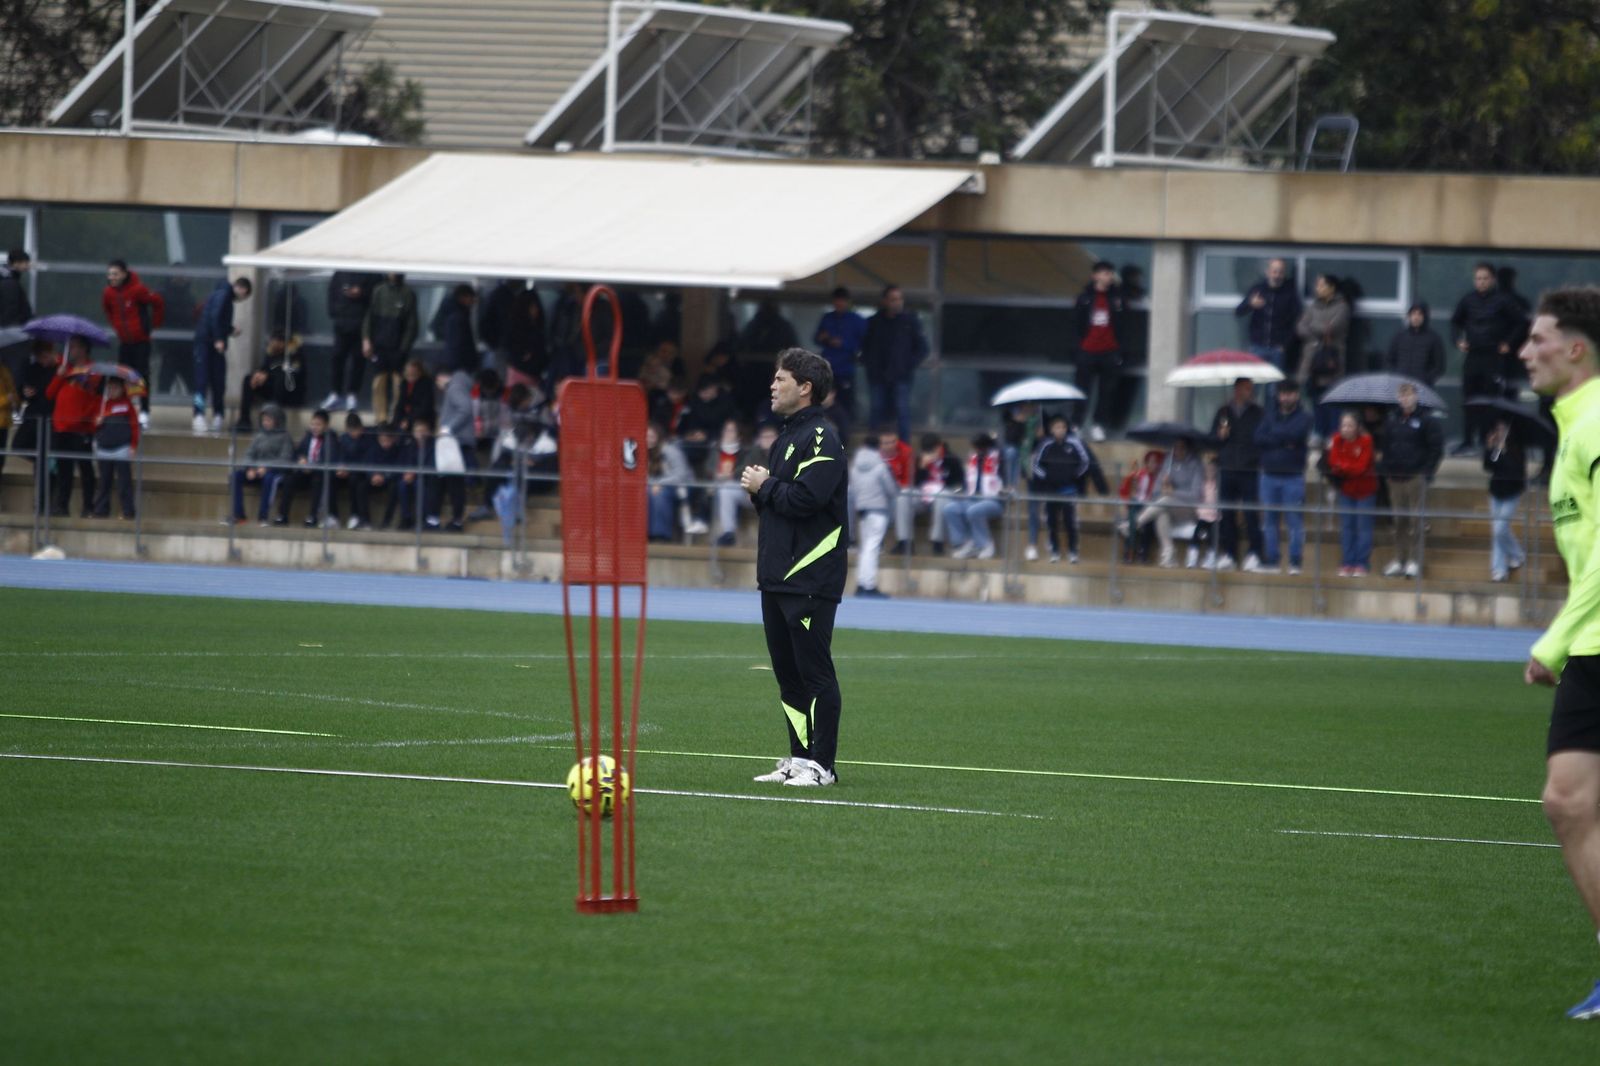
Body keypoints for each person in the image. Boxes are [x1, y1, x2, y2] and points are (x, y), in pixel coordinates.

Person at [1515, 288, 1600, 1021]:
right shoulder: (1575, 427)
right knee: (1570, 801)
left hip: (1595, 645)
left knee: (1570, 801)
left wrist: (1553, 641)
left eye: (1538, 339)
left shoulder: (1597, 422)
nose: (1524, 350)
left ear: (1576, 348)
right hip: (1595, 644)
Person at [739, 347, 849, 788]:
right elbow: (781, 504)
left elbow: (808, 498)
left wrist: (765, 485)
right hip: (778, 577)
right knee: (788, 677)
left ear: (805, 388)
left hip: (810, 574)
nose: (772, 385)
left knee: (815, 672)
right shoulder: (786, 437)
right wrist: (763, 490)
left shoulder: (822, 435)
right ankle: (800, 759)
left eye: (780, 379)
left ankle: (823, 766)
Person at [1451, 262, 1527, 454]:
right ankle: (1468, 441)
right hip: (1473, 356)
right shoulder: (1467, 300)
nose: (1481, 282)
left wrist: (1508, 343)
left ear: (1492, 280)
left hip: (1493, 358)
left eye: (1485, 278)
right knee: (1469, 400)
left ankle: (1488, 440)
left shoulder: (1503, 300)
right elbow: (1455, 322)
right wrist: (1458, 340)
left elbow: (1521, 323)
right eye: (1478, 278)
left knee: (1490, 401)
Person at [1376, 381, 1442, 579]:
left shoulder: (1426, 420)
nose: (1405, 399)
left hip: (1415, 476)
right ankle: (1400, 558)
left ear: (1416, 397)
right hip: (1395, 477)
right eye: (1402, 396)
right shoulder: (1391, 420)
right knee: (1398, 521)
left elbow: (1435, 448)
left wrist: (1427, 472)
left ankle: (1415, 560)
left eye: (1409, 395)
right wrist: (1385, 469)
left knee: (1416, 520)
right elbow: (1384, 446)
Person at [1027, 415, 1106, 564]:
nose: (1060, 430)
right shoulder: (1045, 444)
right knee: (1052, 522)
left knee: (1070, 522)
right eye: (1057, 427)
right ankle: (1055, 551)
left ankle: (1073, 551)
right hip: (1050, 491)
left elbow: (1085, 462)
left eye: (1063, 427)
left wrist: (1074, 475)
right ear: (1051, 429)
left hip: (1069, 490)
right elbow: (1036, 465)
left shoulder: (1074, 443)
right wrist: (1047, 477)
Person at [1253, 378, 1312, 575]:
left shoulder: (1304, 417)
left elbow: (1296, 435)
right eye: (1282, 394)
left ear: (1296, 395)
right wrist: (1282, 440)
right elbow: (1258, 438)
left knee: (1294, 521)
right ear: (1278, 396)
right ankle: (1272, 561)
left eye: (1289, 393)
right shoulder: (1269, 416)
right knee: (1269, 521)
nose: (1285, 397)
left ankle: (1295, 562)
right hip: (1268, 475)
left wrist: (1274, 438)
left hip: (1293, 477)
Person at [860, 284, 928, 444]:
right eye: (893, 299)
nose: (897, 303)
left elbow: (923, 348)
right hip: (877, 376)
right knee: (877, 411)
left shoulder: (910, 321)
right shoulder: (873, 322)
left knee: (902, 411)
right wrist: (870, 363)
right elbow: (863, 347)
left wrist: (907, 365)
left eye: (899, 299)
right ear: (885, 301)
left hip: (901, 376)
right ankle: (873, 446)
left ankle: (904, 447)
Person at [1209, 377, 1265, 572]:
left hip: (1249, 469)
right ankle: (1230, 554)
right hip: (1227, 467)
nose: (1250, 392)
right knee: (1226, 513)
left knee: (1251, 513)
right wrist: (1220, 435)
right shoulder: (1223, 411)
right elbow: (1212, 439)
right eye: (1246, 388)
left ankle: (1255, 553)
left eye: (1251, 388)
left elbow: (1262, 438)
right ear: (1237, 390)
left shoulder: (1258, 412)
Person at [101, 259, 164, 424]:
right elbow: (107, 309)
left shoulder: (137, 290)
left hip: (141, 341)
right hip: (125, 342)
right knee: (122, 375)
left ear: (123, 273)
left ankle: (144, 410)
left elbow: (157, 302)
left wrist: (153, 324)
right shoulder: (108, 293)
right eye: (109, 274)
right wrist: (116, 325)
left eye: (115, 274)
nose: (112, 277)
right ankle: (123, 408)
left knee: (142, 375)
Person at [1072, 261, 1128, 442]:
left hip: (1109, 351)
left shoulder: (1117, 298)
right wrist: (1079, 347)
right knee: (1082, 390)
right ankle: (1077, 424)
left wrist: (1119, 350)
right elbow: (1077, 324)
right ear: (1095, 275)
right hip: (1087, 350)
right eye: (1104, 273)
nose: (1108, 277)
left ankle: (1098, 425)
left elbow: (1123, 324)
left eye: (1110, 273)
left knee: (1106, 391)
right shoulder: (1085, 297)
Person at [45, 338, 99, 517]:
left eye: (74, 347)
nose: (70, 351)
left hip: (81, 428)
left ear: (83, 349)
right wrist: (59, 375)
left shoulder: (94, 370)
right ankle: (61, 506)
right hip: (61, 427)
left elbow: (95, 397)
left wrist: (85, 419)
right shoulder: (65, 369)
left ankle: (88, 506)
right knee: (63, 470)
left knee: (85, 469)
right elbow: (50, 394)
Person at [193, 276, 252, 434]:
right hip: (207, 343)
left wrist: (230, 330)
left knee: (218, 380)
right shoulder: (224, 295)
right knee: (203, 379)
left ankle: (217, 415)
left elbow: (218, 320)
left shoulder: (222, 295)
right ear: (243, 290)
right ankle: (199, 415)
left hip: (211, 342)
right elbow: (215, 317)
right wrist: (219, 339)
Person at [1133, 436, 1204, 568]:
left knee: (1166, 501)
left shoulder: (1196, 465)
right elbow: (1156, 492)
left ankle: (1136, 522)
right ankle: (1169, 553)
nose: (1178, 451)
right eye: (1175, 447)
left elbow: (1195, 496)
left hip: (1189, 508)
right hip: (1167, 506)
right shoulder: (1168, 462)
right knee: (1161, 513)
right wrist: (1164, 485)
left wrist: (1173, 492)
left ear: (1188, 449)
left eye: (1181, 447)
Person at [1296, 273, 1351, 442]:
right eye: (1317, 285)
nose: (1317, 288)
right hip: (1312, 364)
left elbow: (1332, 329)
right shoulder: (1313, 307)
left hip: (1331, 363)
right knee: (1315, 400)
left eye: (1321, 285)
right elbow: (1300, 328)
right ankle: (1318, 431)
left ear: (1331, 288)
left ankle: (1332, 435)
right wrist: (1317, 329)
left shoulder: (1342, 306)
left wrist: (1313, 328)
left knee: (1332, 400)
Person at [1325, 410, 1377, 576]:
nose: (1346, 429)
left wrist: (1344, 466)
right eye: (1343, 425)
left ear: (1357, 427)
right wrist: (1347, 466)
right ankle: (1347, 562)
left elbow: (1361, 466)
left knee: (1363, 527)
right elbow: (1333, 462)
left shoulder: (1366, 441)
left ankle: (1361, 563)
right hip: (1346, 490)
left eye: (1350, 425)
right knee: (1347, 527)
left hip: (1365, 490)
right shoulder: (1336, 439)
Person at [363, 273, 419, 424]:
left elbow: (411, 325)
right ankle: (380, 418)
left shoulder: (407, 293)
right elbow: (370, 317)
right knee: (378, 383)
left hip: (398, 346)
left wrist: (404, 348)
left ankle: (396, 417)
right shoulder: (379, 290)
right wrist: (367, 339)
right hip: (379, 345)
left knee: (398, 385)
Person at [850, 434, 900, 598]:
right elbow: (891, 490)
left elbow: (854, 488)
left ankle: (862, 582)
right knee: (872, 547)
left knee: (866, 548)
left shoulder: (855, 466)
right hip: (878, 509)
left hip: (862, 510)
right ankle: (868, 584)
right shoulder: (880, 466)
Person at [275, 408, 341, 527]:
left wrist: (313, 466)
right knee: (289, 479)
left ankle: (313, 516)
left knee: (318, 480)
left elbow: (328, 460)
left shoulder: (331, 439)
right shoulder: (307, 437)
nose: (315, 427)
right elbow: (297, 453)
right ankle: (282, 515)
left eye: (318, 424)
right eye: (313, 424)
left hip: (319, 474)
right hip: (304, 473)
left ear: (326, 426)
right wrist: (301, 459)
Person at [944, 432, 1005, 560]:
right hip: (972, 498)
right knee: (950, 509)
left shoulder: (998, 458)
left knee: (974, 511)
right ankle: (965, 543)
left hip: (993, 500)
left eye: (977, 447)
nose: (975, 450)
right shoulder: (972, 459)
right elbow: (967, 482)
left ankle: (986, 545)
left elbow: (1005, 479)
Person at [900, 432, 963, 556]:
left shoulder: (952, 459)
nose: (930, 454)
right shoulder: (919, 459)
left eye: (932, 450)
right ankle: (905, 541)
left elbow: (957, 482)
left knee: (942, 496)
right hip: (923, 495)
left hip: (942, 495)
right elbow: (914, 482)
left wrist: (941, 485)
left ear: (939, 447)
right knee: (904, 495)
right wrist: (922, 468)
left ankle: (937, 541)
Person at [230, 403, 294, 525]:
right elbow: (249, 454)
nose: (265, 422)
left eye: (268, 420)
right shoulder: (259, 436)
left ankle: (263, 517)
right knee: (235, 476)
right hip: (256, 470)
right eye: (264, 420)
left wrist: (267, 468)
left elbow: (285, 459)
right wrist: (250, 468)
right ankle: (239, 514)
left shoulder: (285, 437)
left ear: (276, 420)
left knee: (269, 479)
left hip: (273, 471)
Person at [1235, 257, 1301, 372]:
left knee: (1274, 385)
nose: (1277, 275)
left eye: (1280, 272)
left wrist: (1285, 344)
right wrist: (1250, 304)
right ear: (1268, 272)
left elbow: (1297, 320)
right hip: (1258, 346)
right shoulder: (1258, 290)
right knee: (1255, 382)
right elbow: (1238, 312)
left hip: (1278, 348)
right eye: (1274, 271)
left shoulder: (1289, 293)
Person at [324, 271, 378, 412]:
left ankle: (352, 394)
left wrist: (362, 293)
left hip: (362, 325)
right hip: (342, 324)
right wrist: (337, 312)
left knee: (358, 360)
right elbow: (332, 294)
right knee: (337, 357)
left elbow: (376, 297)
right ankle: (335, 393)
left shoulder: (371, 273)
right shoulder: (340, 273)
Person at [89, 376, 139, 519]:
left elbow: (134, 427)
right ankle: (101, 510)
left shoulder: (127, 405)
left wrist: (133, 445)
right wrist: (97, 422)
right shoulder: (102, 406)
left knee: (124, 483)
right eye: (109, 388)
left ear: (122, 389)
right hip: (104, 448)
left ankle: (128, 511)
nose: (112, 391)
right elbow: (93, 426)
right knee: (104, 482)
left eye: (115, 388)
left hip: (121, 448)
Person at [1483, 418, 1527, 583]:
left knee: (1500, 529)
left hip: (1512, 493)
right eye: (1498, 429)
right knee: (1497, 530)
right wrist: (1490, 449)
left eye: (1503, 429)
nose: (1500, 432)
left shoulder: (1517, 448)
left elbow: (1514, 470)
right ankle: (1499, 569)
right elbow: (1488, 467)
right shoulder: (1496, 448)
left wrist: (1504, 452)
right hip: (1496, 492)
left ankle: (1517, 554)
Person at [235, 330, 306, 430]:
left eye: (277, 341)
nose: (273, 343)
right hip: (273, 391)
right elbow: (265, 368)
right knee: (248, 379)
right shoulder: (272, 353)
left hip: (289, 392)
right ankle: (244, 420)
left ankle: (273, 419)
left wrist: (268, 375)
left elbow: (292, 372)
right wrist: (258, 375)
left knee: (280, 379)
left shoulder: (295, 355)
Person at [814, 286, 866, 419]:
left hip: (846, 369)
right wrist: (824, 338)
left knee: (845, 402)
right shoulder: (827, 318)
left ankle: (846, 431)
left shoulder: (856, 320)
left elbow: (864, 343)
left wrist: (843, 344)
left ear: (847, 302)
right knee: (824, 401)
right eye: (836, 301)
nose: (839, 304)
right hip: (828, 368)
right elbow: (816, 338)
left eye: (842, 301)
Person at [645, 421, 693, 542]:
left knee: (659, 495)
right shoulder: (643, 452)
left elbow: (680, 475)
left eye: (651, 437)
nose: (648, 440)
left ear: (658, 437)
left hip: (681, 487)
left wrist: (660, 483)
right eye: (646, 436)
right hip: (655, 486)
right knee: (645, 493)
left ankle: (661, 535)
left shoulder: (670, 450)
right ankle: (645, 533)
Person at [1384, 302, 1446, 386]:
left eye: (1420, 314)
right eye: (1413, 314)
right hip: (1401, 386)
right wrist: (1396, 376)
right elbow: (1389, 360)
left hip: (1423, 386)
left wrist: (1426, 379)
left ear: (1425, 317)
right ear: (1409, 316)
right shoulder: (1399, 337)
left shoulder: (1434, 338)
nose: (1416, 317)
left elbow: (1439, 366)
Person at [337, 412, 377, 529]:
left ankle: (364, 519)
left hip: (365, 474)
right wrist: (341, 466)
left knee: (360, 484)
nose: (355, 433)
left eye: (357, 430)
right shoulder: (344, 439)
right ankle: (353, 516)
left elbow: (369, 459)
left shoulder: (369, 438)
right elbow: (341, 457)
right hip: (349, 474)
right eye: (351, 430)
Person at [0, 250, 34, 386]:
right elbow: (11, 312)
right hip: (13, 341)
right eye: (25, 262)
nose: (27, 266)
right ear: (16, 263)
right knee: (13, 379)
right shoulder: (11, 284)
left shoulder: (8, 282)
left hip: (8, 339)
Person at [437, 283, 480, 374]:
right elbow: (458, 343)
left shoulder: (457, 313)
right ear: (462, 298)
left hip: (456, 362)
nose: (473, 301)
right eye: (471, 298)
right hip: (460, 364)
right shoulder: (458, 316)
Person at [390, 356, 435, 432]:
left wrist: (408, 420)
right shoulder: (404, 383)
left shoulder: (426, 383)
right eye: (408, 373)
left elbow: (425, 407)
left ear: (420, 372)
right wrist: (397, 420)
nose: (410, 376)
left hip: (421, 417)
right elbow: (400, 403)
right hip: (406, 416)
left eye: (413, 373)